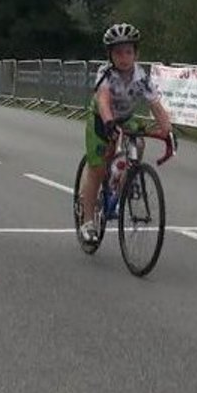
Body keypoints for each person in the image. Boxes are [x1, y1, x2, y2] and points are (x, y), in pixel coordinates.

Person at [78, 23, 173, 245]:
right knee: (98, 167)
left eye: (128, 52)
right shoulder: (106, 73)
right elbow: (102, 99)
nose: (124, 57)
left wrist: (168, 132)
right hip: (102, 118)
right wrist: (109, 121)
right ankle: (87, 220)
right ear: (110, 55)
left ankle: (119, 188)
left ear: (136, 54)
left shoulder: (141, 76)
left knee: (138, 144)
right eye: (118, 52)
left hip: (125, 117)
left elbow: (156, 106)